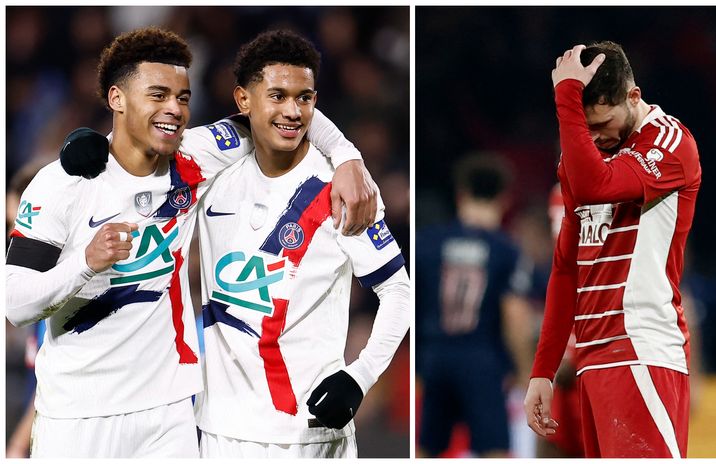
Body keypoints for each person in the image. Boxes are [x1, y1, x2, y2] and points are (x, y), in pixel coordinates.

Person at [6, 26, 375, 458]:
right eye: (158, 95)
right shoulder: (60, 185)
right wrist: (85, 264)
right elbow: (16, 304)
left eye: (182, 98)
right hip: (76, 416)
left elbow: (277, 110)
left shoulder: (193, 156)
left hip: (169, 413)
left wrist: (348, 156)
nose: (175, 110)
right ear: (116, 99)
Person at [193, 30, 409, 458]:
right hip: (219, 433)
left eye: (305, 98)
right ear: (243, 100)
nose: (293, 111)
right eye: (277, 96)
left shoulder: (344, 189)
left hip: (308, 434)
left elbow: (399, 292)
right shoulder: (212, 174)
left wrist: (360, 376)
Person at [523, 41, 701, 458]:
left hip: (641, 349)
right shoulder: (581, 161)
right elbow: (567, 270)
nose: (595, 138)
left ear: (633, 96)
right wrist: (543, 372)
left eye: (602, 123)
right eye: (585, 129)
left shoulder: (670, 143)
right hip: (592, 359)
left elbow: (596, 186)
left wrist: (566, 95)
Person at [416, 153, 534, 458]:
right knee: (494, 449)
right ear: (504, 199)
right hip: (483, 360)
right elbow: (514, 314)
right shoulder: (506, 249)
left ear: (461, 194)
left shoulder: (427, 243)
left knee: (428, 448)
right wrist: (524, 370)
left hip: (436, 356)